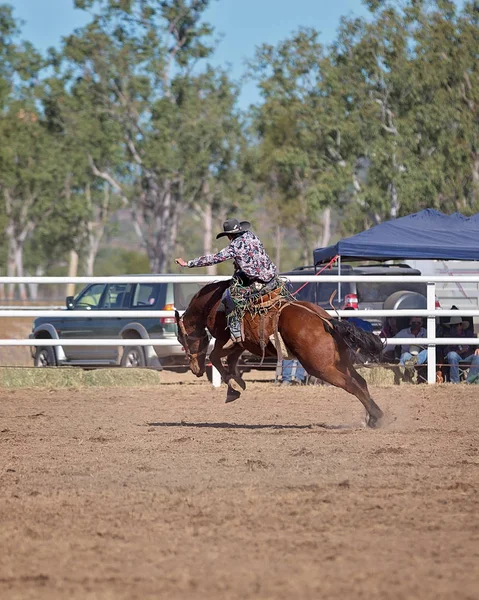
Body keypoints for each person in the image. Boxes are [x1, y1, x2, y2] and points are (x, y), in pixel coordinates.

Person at [175, 218, 279, 345]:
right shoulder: (252, 236)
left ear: (229, 235)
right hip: (272, 276)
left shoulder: (235, 246)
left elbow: (215, 259)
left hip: (258, 282)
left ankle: (235, 330)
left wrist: (188, 263)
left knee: (229, 296)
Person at [385, 317, 427, 381]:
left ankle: (413, 362)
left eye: (418, 323)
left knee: (427, 352)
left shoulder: (426, 332)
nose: (416, 324)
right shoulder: (403, 332)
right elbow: (392, 343)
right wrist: (382, 351)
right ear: (410, 323)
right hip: (408, 356)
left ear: (422, 323)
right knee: (405, 355)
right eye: (413, 323)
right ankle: (407, 370)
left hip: (421, 356)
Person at [443, 315, 479, 384]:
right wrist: (459, 351)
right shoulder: (448, 336)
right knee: (452, 355)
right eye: (452, 326)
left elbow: (476, 342)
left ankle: (470, 381)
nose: (454, 328)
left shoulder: (468, 334)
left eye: (456, 325)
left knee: (478, 356)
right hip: (455, 357)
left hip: (469, 356)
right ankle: (455, 382)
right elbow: (445, 352)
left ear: (461, 325)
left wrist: (478, 348)